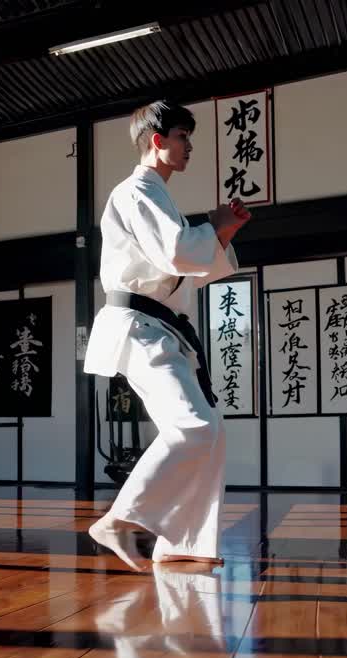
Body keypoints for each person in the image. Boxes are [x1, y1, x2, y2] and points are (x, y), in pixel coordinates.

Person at [84, 100, 251, 572]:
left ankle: (184, 541)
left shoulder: (159, 197)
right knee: (194, 425)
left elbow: (183, 268)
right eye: (182, 136)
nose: (188, 146)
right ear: (157, 141)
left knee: (210, 431)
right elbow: (177, 253)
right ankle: (121, 518)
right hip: (140, 329)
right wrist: (215, 230)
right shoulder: (137, 190)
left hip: (162, 328)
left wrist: (221, 232)